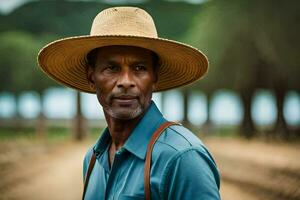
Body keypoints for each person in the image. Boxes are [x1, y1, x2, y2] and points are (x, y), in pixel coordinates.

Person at [38, 6, 220, 200]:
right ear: (91, 77)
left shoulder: (182, 158)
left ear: (154, 76)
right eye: (112, 68)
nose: (126, 81)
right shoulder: (93, 160)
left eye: (139, 68)